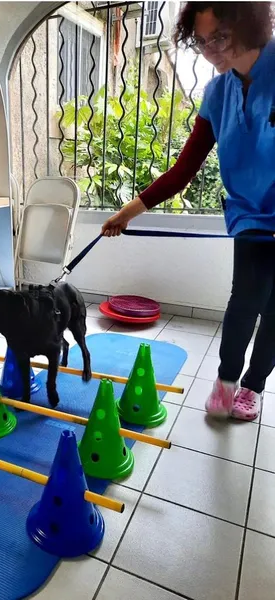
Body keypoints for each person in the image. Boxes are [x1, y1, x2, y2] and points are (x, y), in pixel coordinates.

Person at [102, 2, 275, 421]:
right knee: (246, 298)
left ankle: (252, 386)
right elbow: (184, 168)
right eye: (201, 41)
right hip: (251, 215)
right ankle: (226, 381)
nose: (210, 50)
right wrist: (129, 210)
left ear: (249, 24)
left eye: (219, 37)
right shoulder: (218, 92)